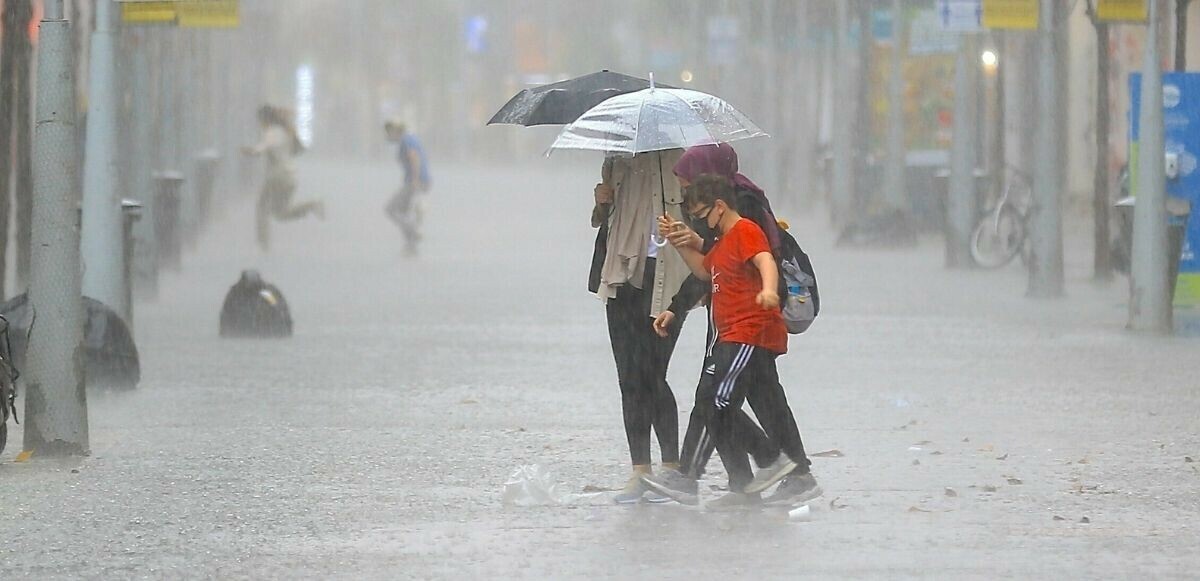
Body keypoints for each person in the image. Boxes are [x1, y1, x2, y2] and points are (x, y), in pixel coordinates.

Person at [644, 144, 822, 507]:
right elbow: (708, 267)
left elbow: (759, 259)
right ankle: (767, 479)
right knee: (760, 398)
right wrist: (684, 253)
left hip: (748, 323)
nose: (687, 202)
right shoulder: (720, 221)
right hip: (735, 322)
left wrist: (769, 291)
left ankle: (749, 468)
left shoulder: (743, 213)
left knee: (713, 399)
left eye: (689, 191)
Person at [589, 150, 692, 504]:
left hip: (668, 277)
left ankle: (672, 467)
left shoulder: (681, 161)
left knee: (652, 373)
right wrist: (602, 202)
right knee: (628, 377)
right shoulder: (616, 158)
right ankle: (640, 470)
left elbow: (701, 220)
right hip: (621, 275)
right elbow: (603, 221)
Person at [243, 105, 324, 251]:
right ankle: (312, 205)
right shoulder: (286, 132)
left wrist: (251, 151)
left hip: (277, 176)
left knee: (261, 207)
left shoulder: (273, 131)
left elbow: (265, 146)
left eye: (260, 120)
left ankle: (263, 244)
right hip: (290, 176)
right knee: (280, 213)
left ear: (265, 119)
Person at [384, 120, 432, 256]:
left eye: (388, 132)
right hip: (419, 180)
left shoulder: (406, 140)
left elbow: (414, 157)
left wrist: (415, 180)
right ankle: (410, 245)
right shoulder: (409, 138)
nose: (387, 136)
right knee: (405, 212)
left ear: (395, 130)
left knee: (391, 209)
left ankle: (412, 232)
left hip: (415, 182)